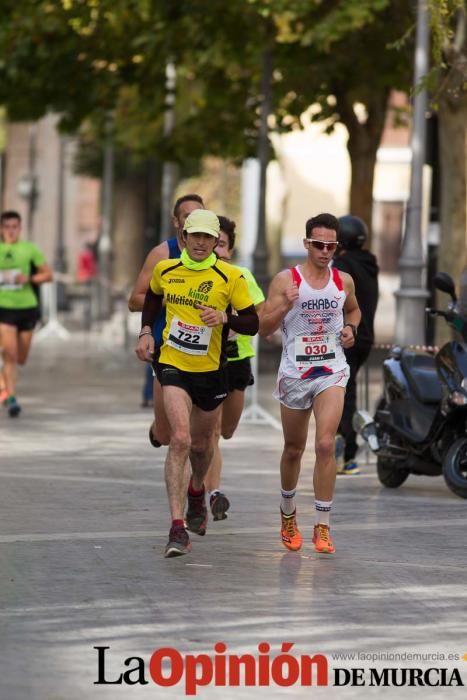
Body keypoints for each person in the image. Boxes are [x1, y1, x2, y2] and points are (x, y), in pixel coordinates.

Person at [135, 209, 258, 558]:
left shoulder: (229, 276)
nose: (202, 243)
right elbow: (153, 297)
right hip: (172, 363)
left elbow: (253, 323)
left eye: (209, 237)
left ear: (216, 240)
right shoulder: (166, 269)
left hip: (211, 371)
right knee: (181, 439)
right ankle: (177, 529)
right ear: (184, 238)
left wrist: (225, 317)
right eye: (195, 236)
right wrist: (146, 331)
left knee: (203, 446)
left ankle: (197, 490)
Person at [259, 213, 361, 555]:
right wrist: (286, 304)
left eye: (331, 245)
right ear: (306, 244)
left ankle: (323, 525)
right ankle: (288, 514)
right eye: (318, 244)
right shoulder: (285, 280)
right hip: (294, 373)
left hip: (331, 369)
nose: (324, 251)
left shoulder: (343, 280)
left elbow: (354, 311)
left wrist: (351, 329)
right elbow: (264, 327)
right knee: (293, 449)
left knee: (325, 445)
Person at [204, 215, 265, 520]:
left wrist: (235, 323)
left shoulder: (241, 276)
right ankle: (213, 493)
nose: (216, 249)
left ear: (229, 249)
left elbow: (259, 314)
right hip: (206, 360)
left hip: (237, 358)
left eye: (222, 244)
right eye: (212, 242)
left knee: (227, 431)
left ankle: (201, 471)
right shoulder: (196, 276)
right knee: (212, 432)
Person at [128, 194, 204, 427]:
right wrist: (170, 297)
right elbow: (134, 301)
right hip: (168, 348)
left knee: (202, 435)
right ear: (176, 222)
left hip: (205, 351)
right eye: (187, 216)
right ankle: (159, 428)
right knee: (168, 432)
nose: (193, 222)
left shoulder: (213, 255)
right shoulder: (163, 254)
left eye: (198, 216)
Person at [333, 215, 379, 475]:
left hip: (347, 335)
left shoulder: (341, 267)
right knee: (347, 391)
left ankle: (346, 452)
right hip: (365, 338)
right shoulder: (369, 264)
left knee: (342, 394)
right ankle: (347, 449)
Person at [0, 210, 53, 416]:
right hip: (4, 308)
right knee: (11, 354)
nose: (11, 231)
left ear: (20, 228)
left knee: (20, 357)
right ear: (2, 229)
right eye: (7, 227)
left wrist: (29, 279)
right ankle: (11, 397)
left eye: (15, 227)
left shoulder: (30, 249)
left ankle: (4, 381)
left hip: (27, 307)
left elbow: (48, 275)